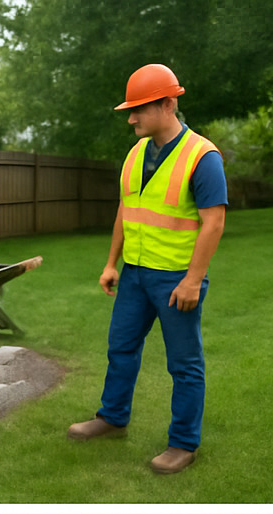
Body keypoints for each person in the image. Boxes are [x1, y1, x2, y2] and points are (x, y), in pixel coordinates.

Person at [68, 64, 228, 475]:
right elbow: (127, 208)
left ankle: (183, 444)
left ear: (168, 103)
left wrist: (193, 280)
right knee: (120, 349)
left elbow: (214, 222)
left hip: (176, 279)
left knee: (184, 364)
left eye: (138, 109)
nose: (131, 117)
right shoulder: (136, 153)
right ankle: (112, 418)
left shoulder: (202, 157)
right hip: (135, 275)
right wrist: (111, 262)